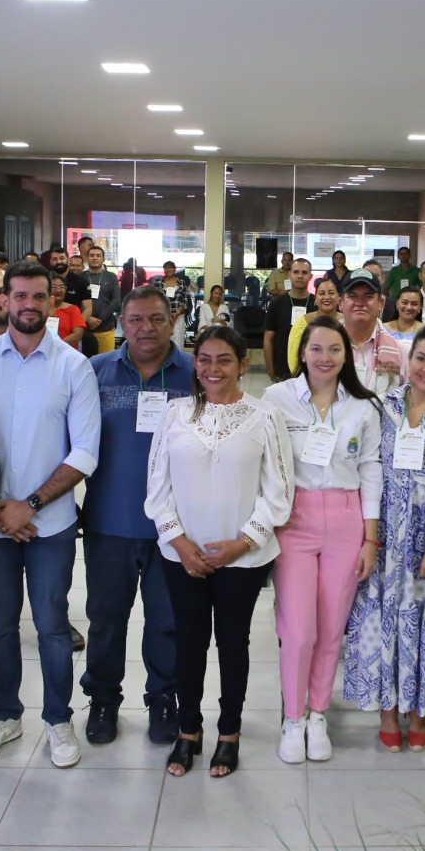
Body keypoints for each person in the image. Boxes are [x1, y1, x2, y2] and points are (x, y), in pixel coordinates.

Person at [0, 261, 101, 769]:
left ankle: (58, 719)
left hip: (50, 525)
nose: (28, 305)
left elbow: (85, 451)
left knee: (52, 626)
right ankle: (5, 715)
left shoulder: (74, 367)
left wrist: (29, 505)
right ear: (2, 300)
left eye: (39, 296)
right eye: (19, 295)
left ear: (52, 301)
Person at [145, 325, 294, 778]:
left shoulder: (265, 416)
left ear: (242, 364)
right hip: (183, 556)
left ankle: (229, 732)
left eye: (224, 359)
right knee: (189, 641)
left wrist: (242, 542)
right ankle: (188, 729)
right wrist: (180, 542)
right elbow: (157, 489)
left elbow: (280, 492)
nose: (213, 369)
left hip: (243, 558)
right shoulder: (174, 414)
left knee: (233, 642)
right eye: (205, 359)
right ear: (195, 364)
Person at [344, 325, 425, 752]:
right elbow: (367, 467)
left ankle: (418, 710)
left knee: (423, 622)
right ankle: (387, 709)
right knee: (383, 618)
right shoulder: (382, 407)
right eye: (421, 358)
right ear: (409, 359)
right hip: (384, 536)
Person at [263, 316, 383, 764]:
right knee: (298, 631)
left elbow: (370, 468)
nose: (325, 358)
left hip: (346, 519)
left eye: (335, 349)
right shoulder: (277, 399)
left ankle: (318, 714)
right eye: (316, 348)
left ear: (346, 355)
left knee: (332, 628)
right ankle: (293, 718)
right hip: (294, 518)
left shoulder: (363, 406)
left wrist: (370, 538)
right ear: (302, 353)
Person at [81, 287, 194, 746]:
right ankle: (103, 698)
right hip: (109, 520)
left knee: (168, 620)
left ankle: (163, 698)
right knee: (106, 619)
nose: (146, 328)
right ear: (121, 324)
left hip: (175, 527)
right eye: (136, 320)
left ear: (172, 322)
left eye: (156, 319)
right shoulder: (94, 371)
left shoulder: (194, 372)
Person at [337, 268, 409, 396]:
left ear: (380, 304)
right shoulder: (322, 347)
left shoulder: (400, 352)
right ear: (341, 303)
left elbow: (409, 400)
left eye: (368, 296)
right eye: (353, 296)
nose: (360, 302)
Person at [263, 255, 315, 381]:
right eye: (296, 272)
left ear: (310, 276)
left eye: (304, 272)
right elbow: (268, 339)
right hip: (281, 371)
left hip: (312, 372)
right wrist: (270, 370)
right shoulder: (277, 303)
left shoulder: (316, 303)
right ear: (289, 274)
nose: (300, 276)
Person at [284, 274, 340, 373]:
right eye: (322, 293)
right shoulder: (303, 322)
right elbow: (294, 358)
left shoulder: (348, 322)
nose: (327, 297)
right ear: (315, 298)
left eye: (331, 293)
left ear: (339, 297)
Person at [80, 243, 121, 352]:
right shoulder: (80, 277)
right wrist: (87, 318)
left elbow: (116, 301)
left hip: (106, 329)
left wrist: (100, 319)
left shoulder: (111, 277)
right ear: (87, 258)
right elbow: (75, 301)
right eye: (92, 255)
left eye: (98, 256)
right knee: (84, 361)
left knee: (106, 361)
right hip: (83, 330)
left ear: (103, 259)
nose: (95, 258)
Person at [153, 260, 193, 348]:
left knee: (178, 344)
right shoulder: (158, 282)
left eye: (170, 267)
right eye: (166, 268)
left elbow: (184, 300)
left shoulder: (181, 283)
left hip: (178, 316)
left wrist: (176, 313)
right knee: (162, 344)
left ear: (175, 270)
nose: (168, 269)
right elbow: (156, 300)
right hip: (162, 317)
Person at [49, 274, 89, 351]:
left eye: (62, 287)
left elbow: (78, 335)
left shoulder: (73, 309)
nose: (58, 290)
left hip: (66, 352)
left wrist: (56, 347)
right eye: (54, 287)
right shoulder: (41, 309)